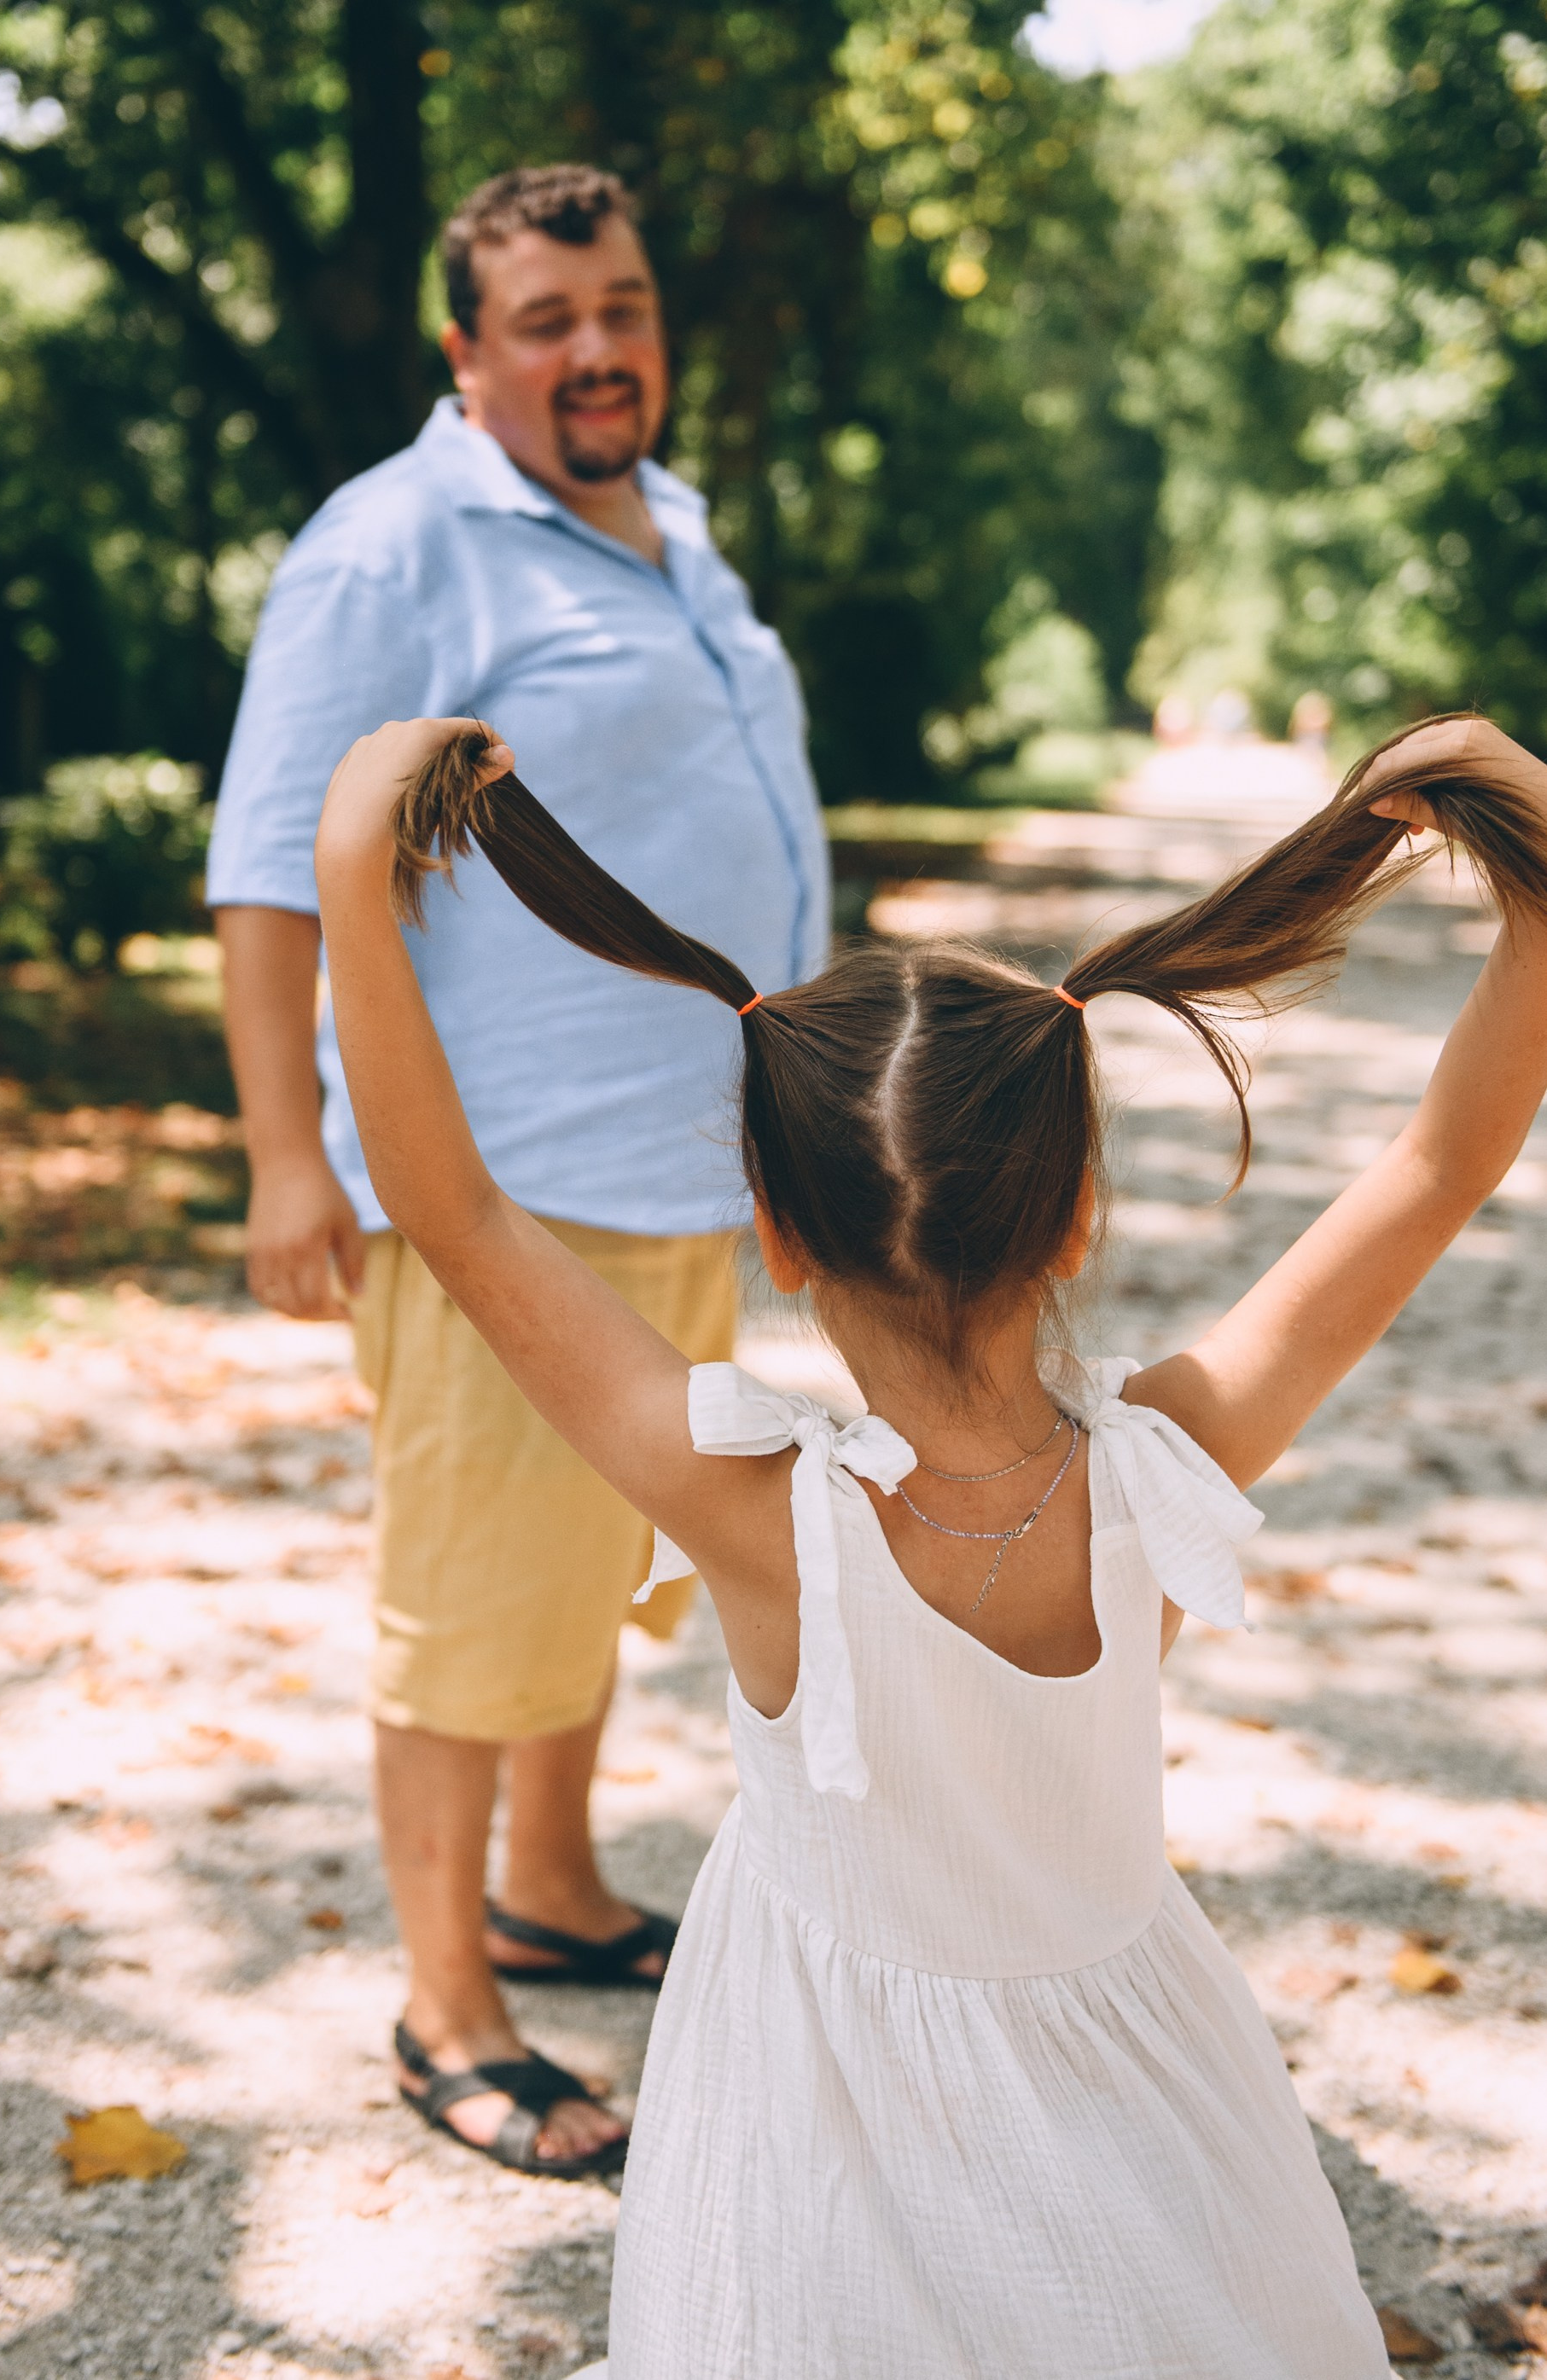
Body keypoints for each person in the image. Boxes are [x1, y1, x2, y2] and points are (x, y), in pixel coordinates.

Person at [313, 705, 1547, 2374]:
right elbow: (1437, 1160)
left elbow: (448, 1213)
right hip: (1140, 2070)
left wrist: (349, 875)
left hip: (814, 2102)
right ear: (1082, 1207)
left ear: (771, 1229)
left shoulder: (752, 1512)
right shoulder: (1166, 1459)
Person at [205, 164, 828, 2178]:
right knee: (473, 1591)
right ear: (463, 354)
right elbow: (266, 863)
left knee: (609, 1566)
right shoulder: (391, 546)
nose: (593, 349)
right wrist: (286, 1156)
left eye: (620, 307)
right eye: (544, 319)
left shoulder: (681, 529)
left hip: (679, 1163)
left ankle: (548, 1890)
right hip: (490, 1191)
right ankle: (442, 2003)